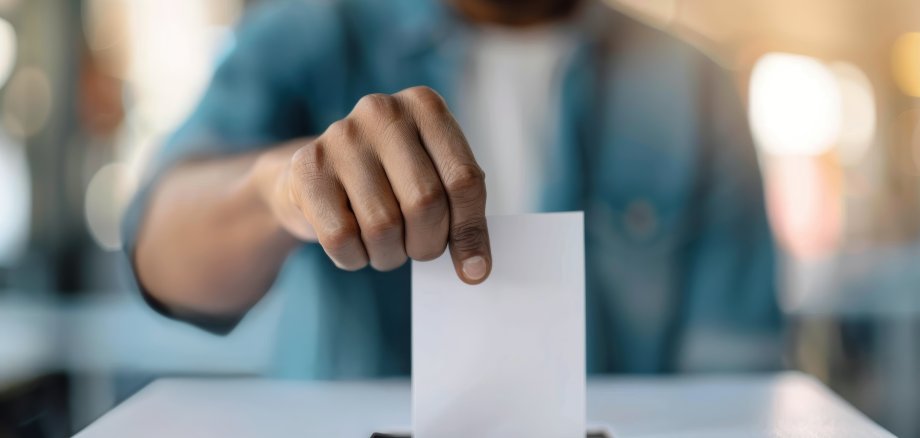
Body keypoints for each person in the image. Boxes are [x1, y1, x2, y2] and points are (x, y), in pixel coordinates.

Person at [123, 0, 783, 378]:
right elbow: (161, 258)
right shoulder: (315, 32)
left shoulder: (693, 87)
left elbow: (733, 372)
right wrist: (282, 188)